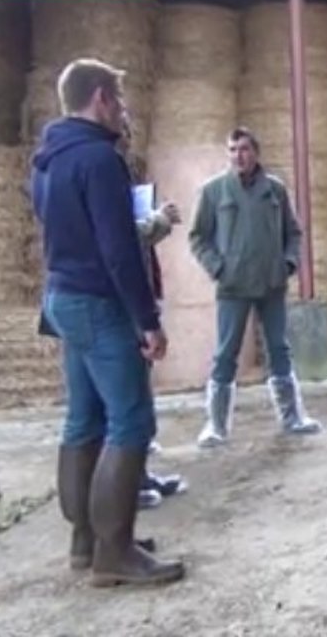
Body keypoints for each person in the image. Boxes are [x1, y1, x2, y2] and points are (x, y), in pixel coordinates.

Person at [30, 57, 184, 587]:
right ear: (99, 98)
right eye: (118, 100)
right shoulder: (99, 159)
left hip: (62, 297)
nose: (123, 111)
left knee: (84, 419)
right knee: (132, 421)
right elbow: (119, 250)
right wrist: (148, 319)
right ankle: (115, 552)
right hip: (98, 301)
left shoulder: (48, 158)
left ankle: (86, 541)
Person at [189, 127, 323, 448]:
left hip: (271, 283)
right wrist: (218, 267)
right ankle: (216, 425)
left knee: (279, 349)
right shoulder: (214, 192)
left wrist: (288, 263)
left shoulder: (275, 190)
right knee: (226, 354)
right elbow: (198, 237)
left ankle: (292, 417)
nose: (239, 156)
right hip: (233, 286)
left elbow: (294, 233)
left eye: (245, 149)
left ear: (256, 153)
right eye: (233, 150)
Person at [113, 111, 187, 510]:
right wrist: (156, 220)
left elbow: (132, 239)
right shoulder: (100, 170)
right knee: (123, 400)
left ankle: (140, 475)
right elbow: (117, 238)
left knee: (138, 392)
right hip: (117, 302)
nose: (127, 136)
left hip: (135, 287)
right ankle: (126, 490)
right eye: (122, 127)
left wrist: (157, 224)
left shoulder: (118, 170)